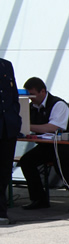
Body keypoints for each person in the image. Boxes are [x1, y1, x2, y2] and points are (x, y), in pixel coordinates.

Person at [19, 77, 69, 212]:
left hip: (67, 146)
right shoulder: (31, 107)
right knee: (26, 161)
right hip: (47, 146)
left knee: (61, 166)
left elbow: (53, 127)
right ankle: (39, 199)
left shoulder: (58, 104)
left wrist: (27, 126)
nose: (30, 98)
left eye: (32, 94)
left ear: (43, 91)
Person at [0, 59, 21, 225]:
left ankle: (1, 211)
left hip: (8, 126)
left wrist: (15, 116)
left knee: (5, 170)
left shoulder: (6, 65)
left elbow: (13, 96)